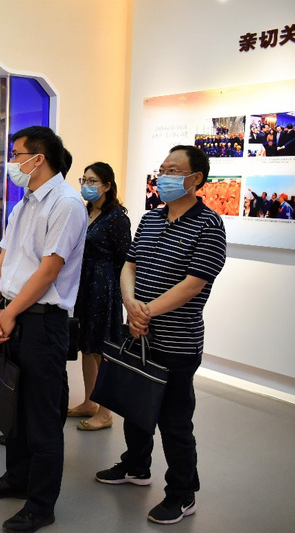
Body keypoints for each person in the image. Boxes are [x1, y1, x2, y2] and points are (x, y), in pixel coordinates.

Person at [96, 145, 226, 526]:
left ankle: (183, 493)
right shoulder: (151, 218)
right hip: (140, 333)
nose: (163, 176)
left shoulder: (209, 225)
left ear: (195, 179)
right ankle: (136, 466)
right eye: (162, 169)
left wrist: (146, 312)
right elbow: (129, 265)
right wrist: (131, 304)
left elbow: (193, 284)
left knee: (174, 421)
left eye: (173, 171)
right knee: (135, 406)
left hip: (177, 341)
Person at [0, 126, 87, 533]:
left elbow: (49, 270)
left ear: (38, 159)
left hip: (42, 321)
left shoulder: (67, 204)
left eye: (16, 154)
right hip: (12, 314)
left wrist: (9, 314)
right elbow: (3, 259)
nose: (12, 162)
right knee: (14, 407)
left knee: (42, 417)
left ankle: (41, 504)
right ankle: (17, 478)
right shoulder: (24, 204)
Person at [68, 162, 131, 431]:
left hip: (104, 288)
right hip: (83, 285)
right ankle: (89, 401)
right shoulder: (84, 212)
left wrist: (122, 295)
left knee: (103, 350)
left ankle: (106, 412)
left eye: (93, 181)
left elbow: (126, 259)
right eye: (84, 180)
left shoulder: (117, 218)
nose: (86, 185)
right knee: (87, 346)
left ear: (107, 185)